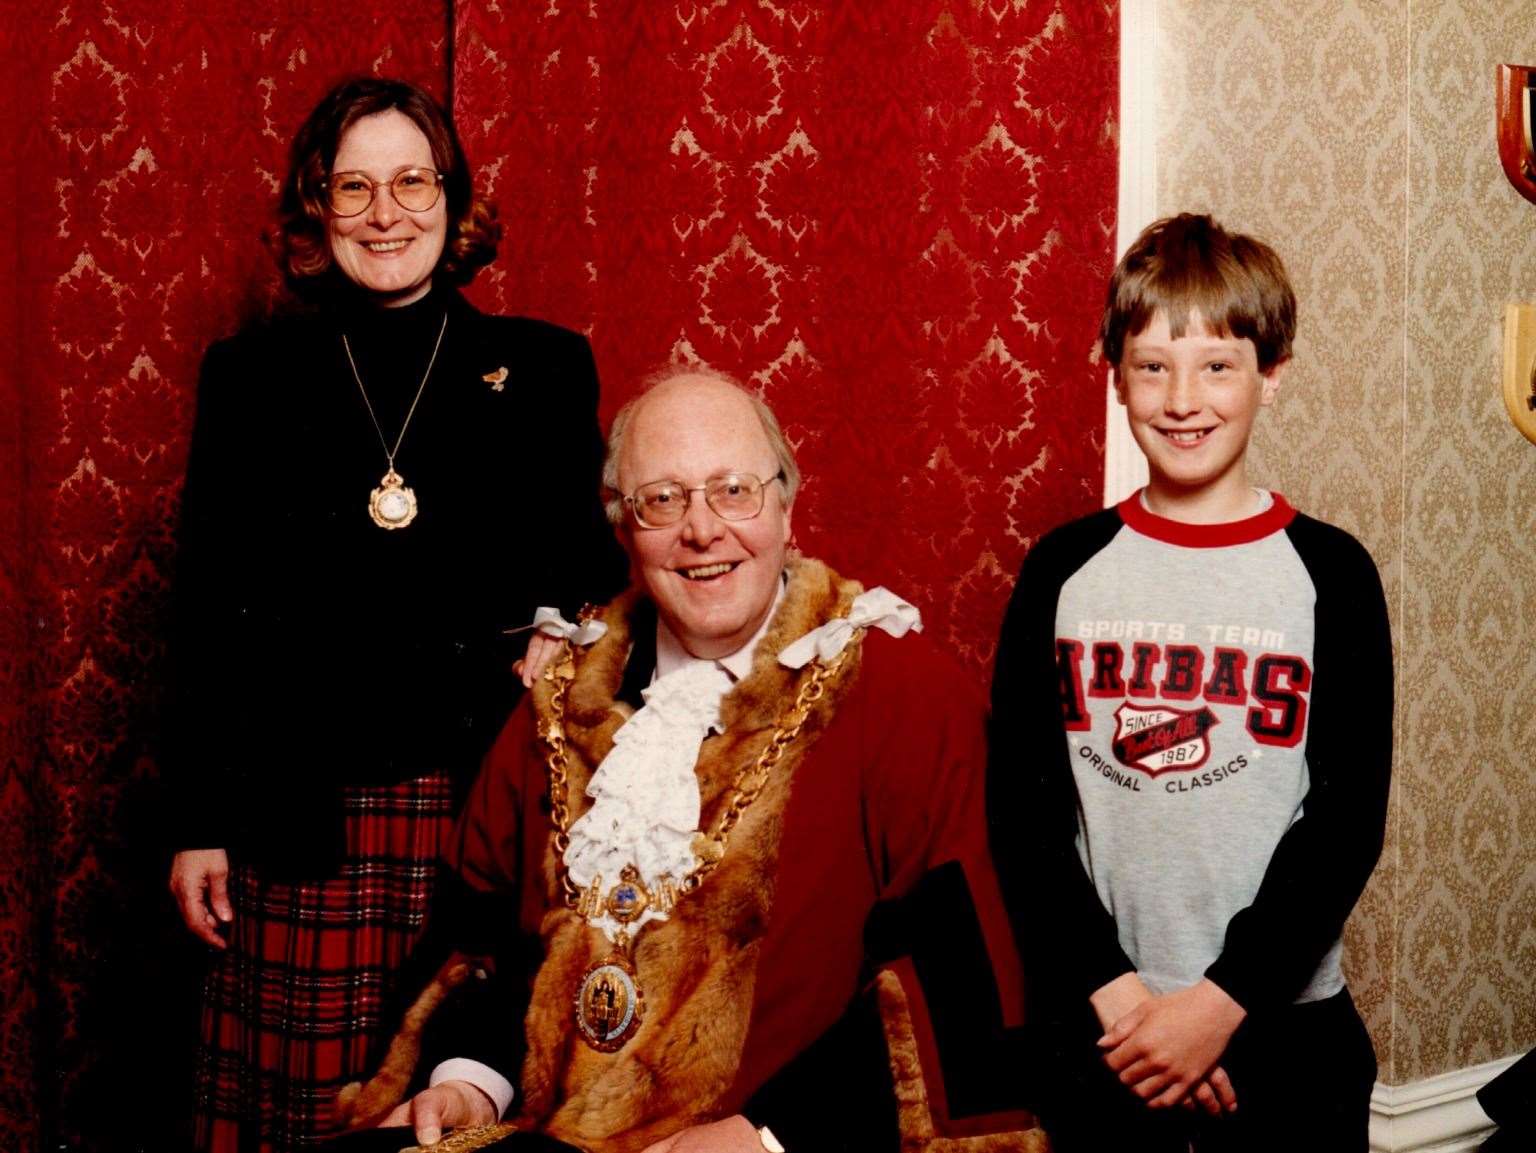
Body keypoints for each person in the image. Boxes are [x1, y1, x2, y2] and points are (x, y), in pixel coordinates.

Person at [349, 369, 1038, 1151]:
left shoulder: (906, 697)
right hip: (552, 1133)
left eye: (734, 489)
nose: (702, 529)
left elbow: (960, 987)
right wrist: (469, 1082)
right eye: (663, 499)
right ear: (623, 527)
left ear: (786, 503)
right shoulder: (557, 705)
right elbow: (487, 944)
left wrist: (768, 1134)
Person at [163, 77, 626, 1152]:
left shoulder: (545, 366)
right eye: (354, 186)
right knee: (304, 1122)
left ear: (453, 199)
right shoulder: (250, 377)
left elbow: (594, 569)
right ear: (316, 211)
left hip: (478, 804)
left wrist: (566, 625)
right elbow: (206, 609)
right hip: (297, 816)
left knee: (456, 1105)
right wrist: (198, 818)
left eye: (413, 181)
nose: (387, 212)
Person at [988, 214, 1392, 1151]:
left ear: (1272, 373)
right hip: (1107, 1027)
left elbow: (1344, 824)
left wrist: (1217, 1006)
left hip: (1284, 1033)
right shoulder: (1064, 568)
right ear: (1114, 375)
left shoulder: (1332, 571)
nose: (1183, 399)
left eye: (1218, 365)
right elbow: (1024, 811)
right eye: (1153, 366)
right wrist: (1131, 1006)